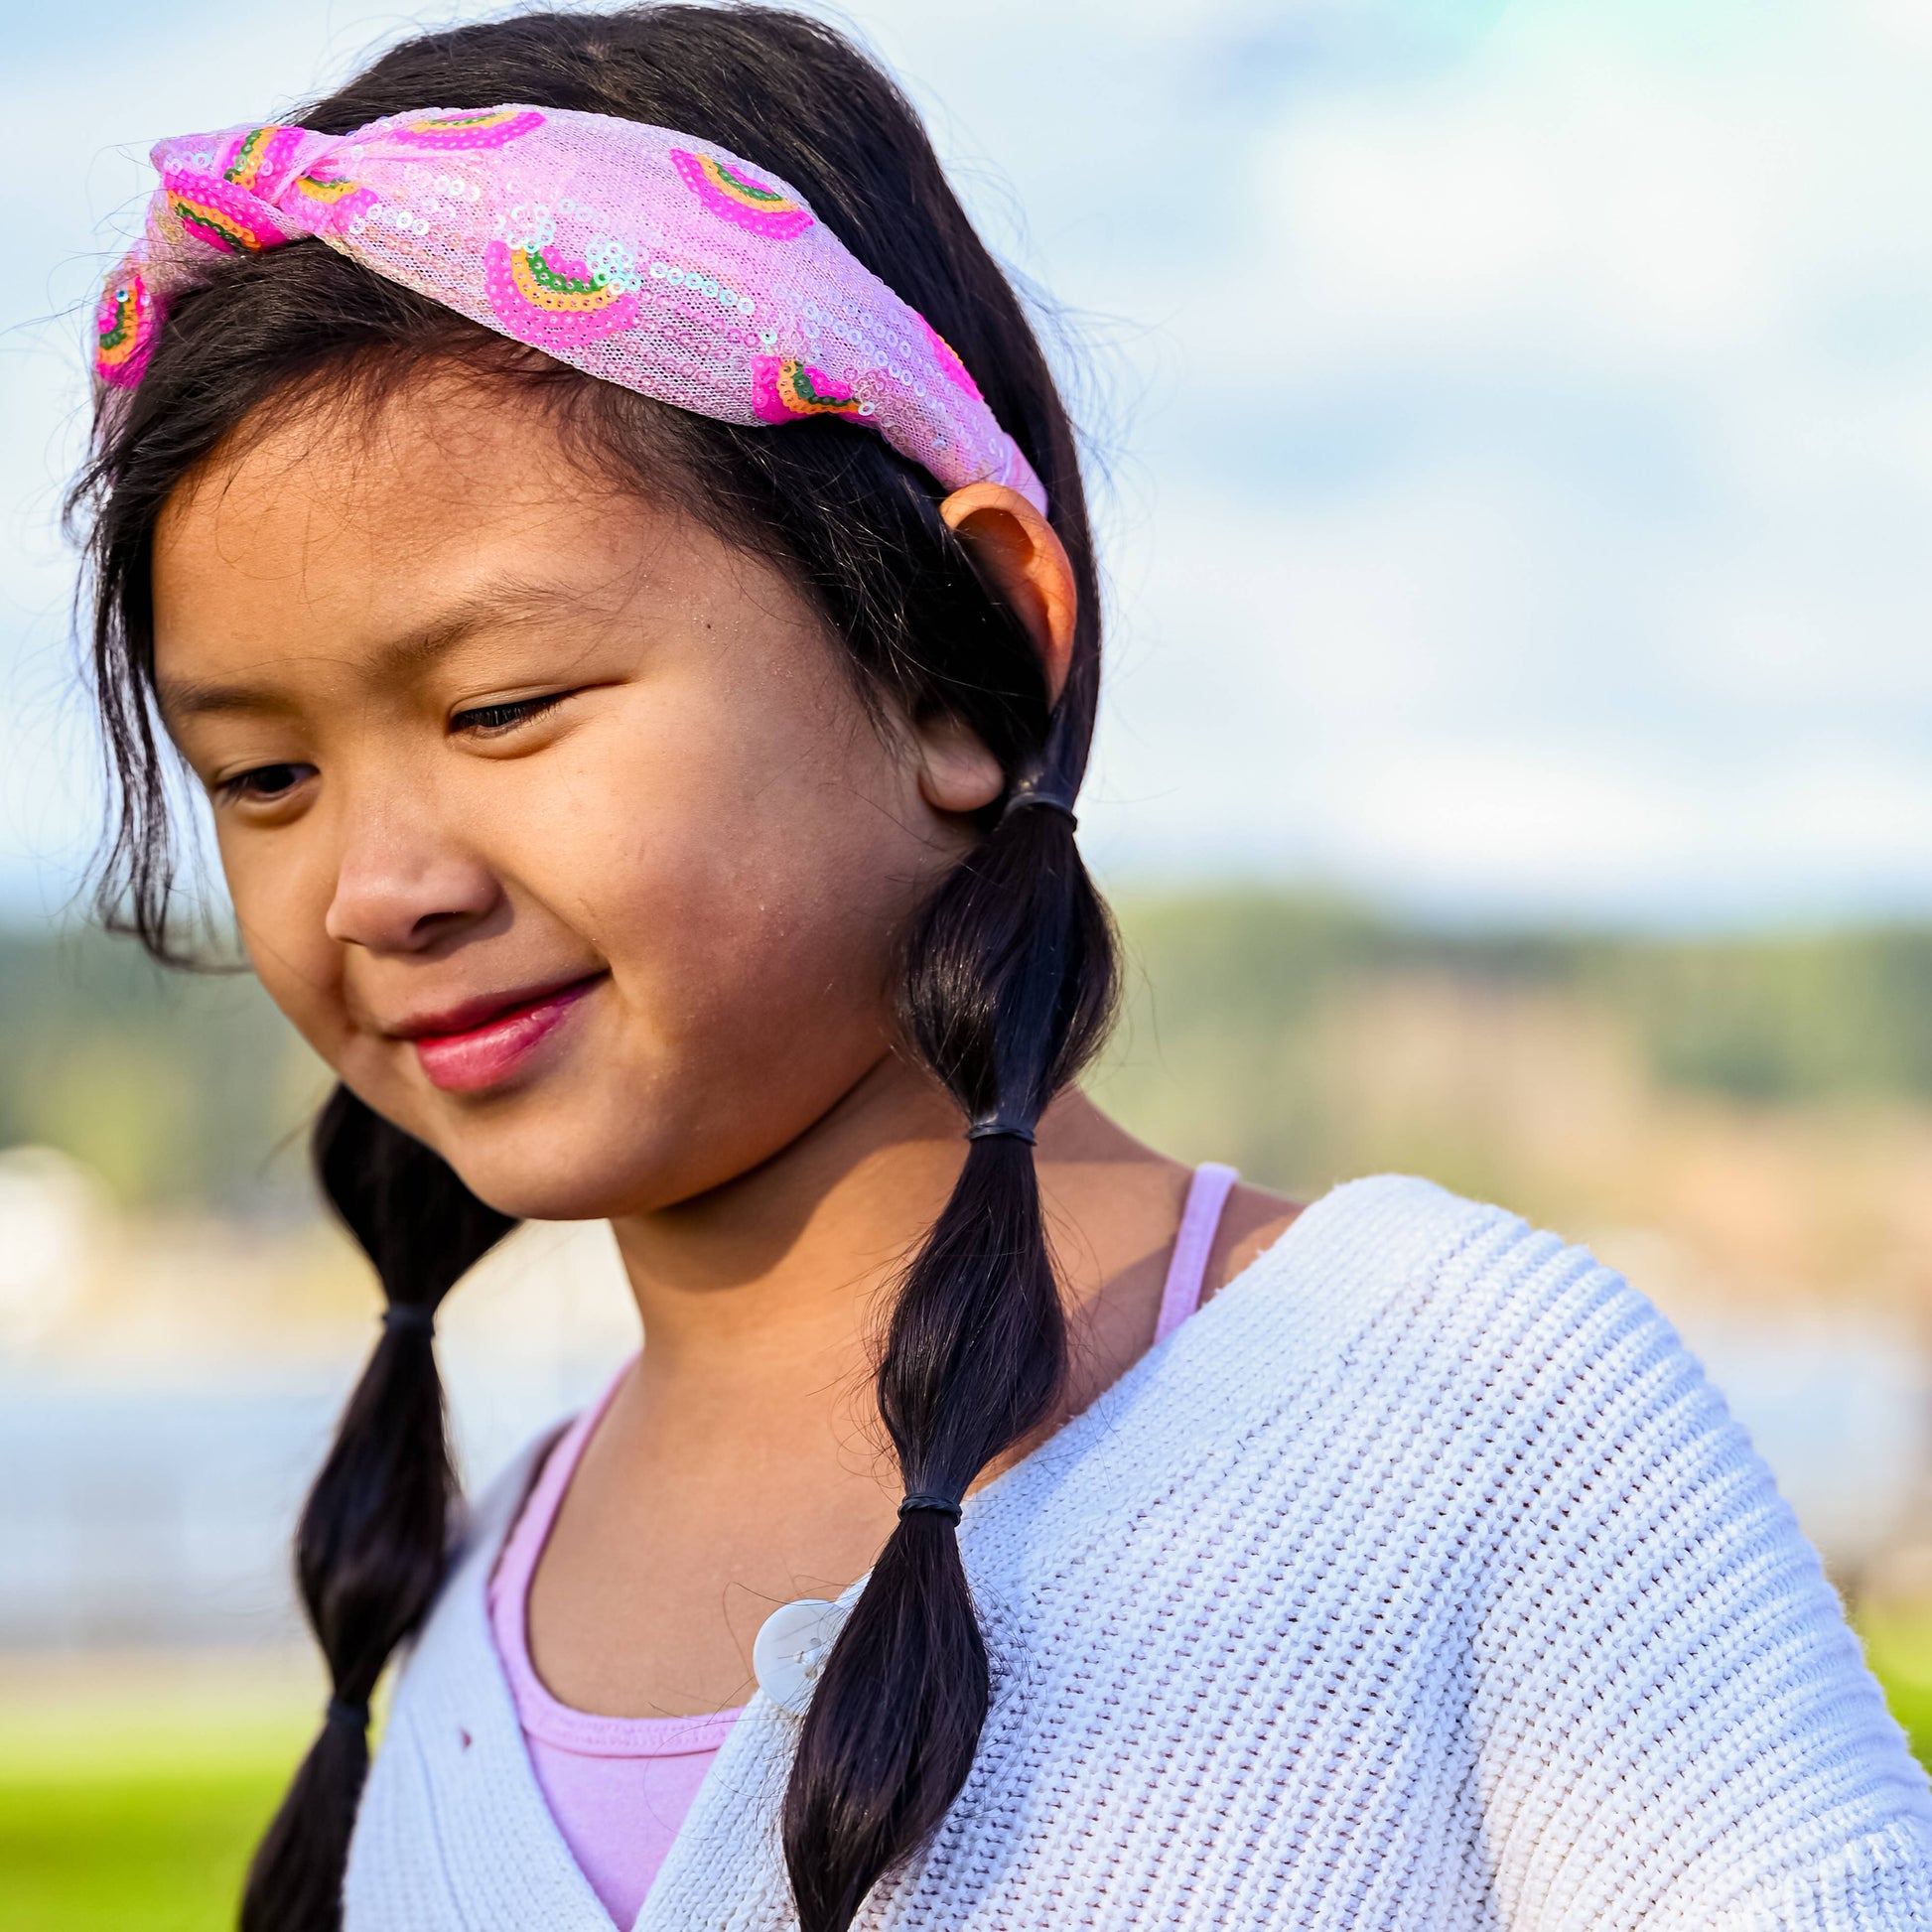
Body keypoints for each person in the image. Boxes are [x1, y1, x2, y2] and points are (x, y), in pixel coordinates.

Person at [70, 6, 1932, 1930]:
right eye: (263, 776)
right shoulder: (469, 1619)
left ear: (958, 656)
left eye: (502, 705)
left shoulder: (1459, 1409)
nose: (377, 886)